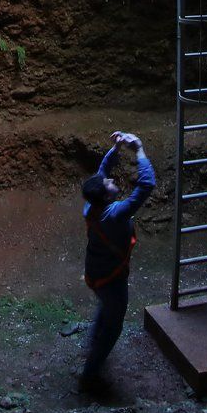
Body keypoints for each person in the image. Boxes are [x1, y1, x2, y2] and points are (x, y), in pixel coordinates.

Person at [79, 130, 155, 390]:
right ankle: (89, 376)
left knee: (105, 309)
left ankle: (91, 347)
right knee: (113, 326)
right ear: (106, 196)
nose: (111, 181)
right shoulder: (114, 215)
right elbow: (146, 186)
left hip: (96, 274)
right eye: (110, 184)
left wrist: (116, 149)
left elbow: (102, 171)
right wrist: (139, 149)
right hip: (111, 280)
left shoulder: (91, 206)